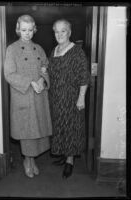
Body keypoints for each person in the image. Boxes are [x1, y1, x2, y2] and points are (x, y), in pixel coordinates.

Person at [4, 15, 52, 178]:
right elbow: (9, 74)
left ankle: (33, 160)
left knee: (37, 131)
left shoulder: (39, 48)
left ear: (34, 30)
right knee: (27, 131)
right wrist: (31, 82)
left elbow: (45, 66)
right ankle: (27, 161)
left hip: (38, 95)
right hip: (23, 95)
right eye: (24, 30)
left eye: (30, 30)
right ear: (18, 29)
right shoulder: (12, 49)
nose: (27, 33)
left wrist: (42, 79)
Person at [48, 19, 90, 179]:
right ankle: (63, 154)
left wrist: (81, 98)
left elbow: (84, 77)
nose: (59, 34)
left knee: (71, 127)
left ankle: (70, 160)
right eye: (56, 31)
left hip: (71, 97)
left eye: (63, 31)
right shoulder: (54, 50)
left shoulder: (77, 51)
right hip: (55, 98)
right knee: (59, 126)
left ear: (69, 32)